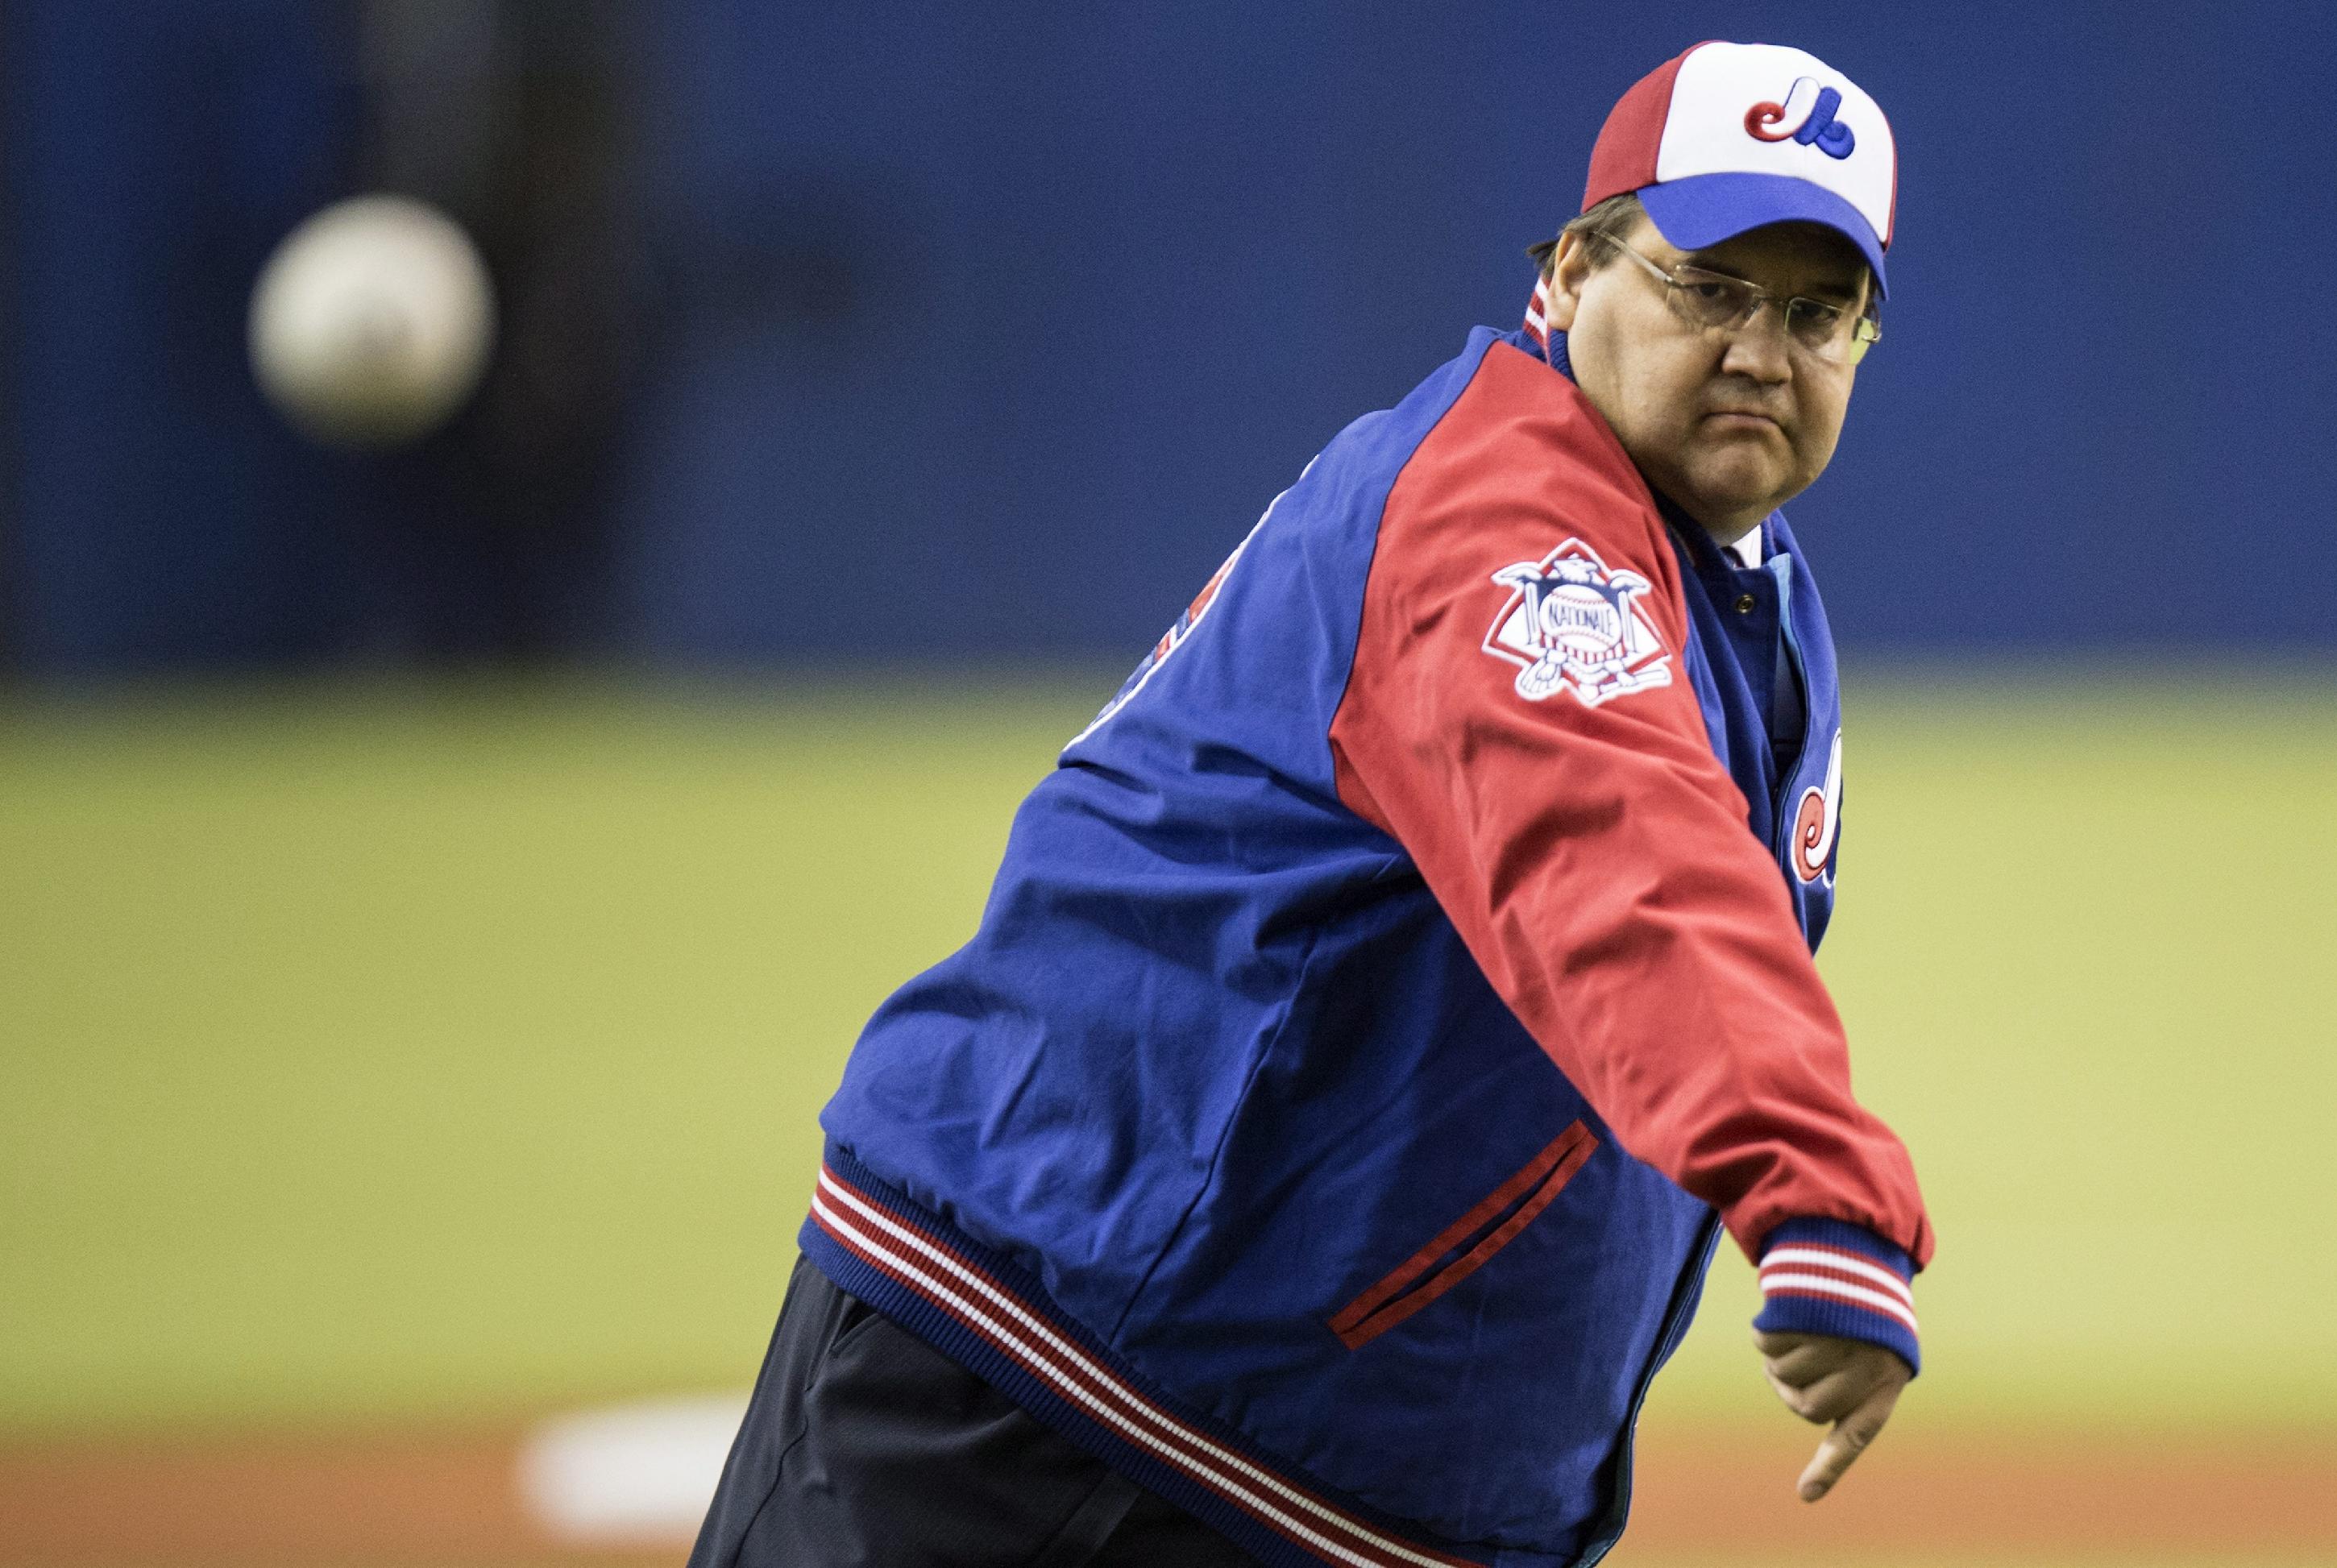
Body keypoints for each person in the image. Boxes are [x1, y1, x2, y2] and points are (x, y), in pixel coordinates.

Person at [692, 40, 1933, 1568]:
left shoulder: (1753, 603)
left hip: (1306, 1467)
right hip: (1050, 1417)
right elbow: (1626, 871)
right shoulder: (1508, 519)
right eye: (1708, 286)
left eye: (1817, 312)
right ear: (1568, 271)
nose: (1762, 349)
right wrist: (1813, 1179)